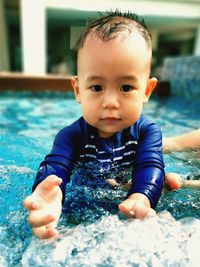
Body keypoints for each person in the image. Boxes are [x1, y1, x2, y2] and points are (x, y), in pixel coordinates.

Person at [23, 10, 165, 239]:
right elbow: (55, 166)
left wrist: (141, 196)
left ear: (147, 90)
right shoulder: (71, 136)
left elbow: (151, 166)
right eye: (97, 87)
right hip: (86, 196)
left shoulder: (147, 131)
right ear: (78, 90)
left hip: (124, 190)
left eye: (126, 88)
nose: (110, 102)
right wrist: (49, 192)